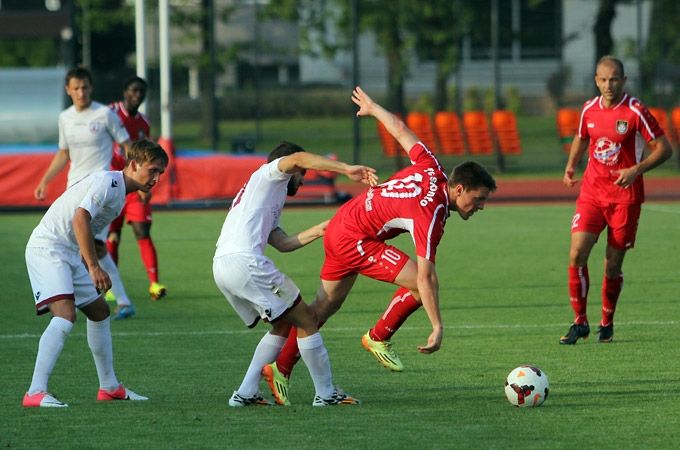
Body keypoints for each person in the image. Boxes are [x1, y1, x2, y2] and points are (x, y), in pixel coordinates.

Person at [262, 86, 497, 406]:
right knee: (420, 282)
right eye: (478, 199)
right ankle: (379, 336)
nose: (480, 206)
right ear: (459, 189)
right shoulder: (433, 212)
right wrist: (437, 326)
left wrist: (374, 109)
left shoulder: (433, 167)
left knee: (321, 310)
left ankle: (280, 368)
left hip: (344, 222)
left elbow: (400, 130)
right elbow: (426, 279)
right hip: (354, 238)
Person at [213, 141, 377, 407]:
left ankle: (245, 392)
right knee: (307, 319)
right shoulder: (270, 173)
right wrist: (346, 169)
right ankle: (326, 394)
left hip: (223, 265)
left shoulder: (266, 193)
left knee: (284, 322)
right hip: (246, 262)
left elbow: (282, 243)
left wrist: (323, 228)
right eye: (302, 174)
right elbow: (299, 157)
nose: (302, 181)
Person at [23, 139, 168, 408]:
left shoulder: (119, 194)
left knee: (100, 312)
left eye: (161, 173)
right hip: (49, 248)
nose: (157, 178)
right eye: (153, 170)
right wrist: (92, 267)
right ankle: (35, 391)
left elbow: (88, 233)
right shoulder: (109, 183)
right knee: (66, 315)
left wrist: (91, 262)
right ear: (133, 165)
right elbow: (80, 218)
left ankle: (110, 387)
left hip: (67, 252)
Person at [559, 55, 672, 345]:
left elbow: (665, 148)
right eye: (603, 80)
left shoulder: (635, 111)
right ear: (596, 80)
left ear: (623, 80)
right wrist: (571, 165)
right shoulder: (588, 109)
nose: (608, 85)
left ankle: (606, 323)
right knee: (576, 254)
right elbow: (582, 137)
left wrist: (636, 169)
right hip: (592, 193)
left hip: (625, 199)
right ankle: (580, 322)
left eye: (614, 79)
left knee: (611, 265)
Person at [34, 67, 137, 321]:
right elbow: (64, 153)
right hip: (74, 192)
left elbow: (127, 145)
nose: (82, 92)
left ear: (92, 88)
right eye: (76, 88)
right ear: (68, 90)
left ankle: (122, 301)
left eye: (86, 87)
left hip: (101, 191)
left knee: (96, 246)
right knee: (82, 248)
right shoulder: (65, 118)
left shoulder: (105, 114)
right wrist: (45, 180)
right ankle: (87, 295)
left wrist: (137, 176)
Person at [106, 76, 167, 319]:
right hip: (111, 183)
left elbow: (148, 158)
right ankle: (110, 288)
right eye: (133, 90)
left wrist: (146, 184)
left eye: (141, 91)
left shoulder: (144, 123)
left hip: (134, 186)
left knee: (142, 230)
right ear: (125, 92)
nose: (137, 95)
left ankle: (154, 283)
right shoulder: (109, 113)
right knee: (112, 235)